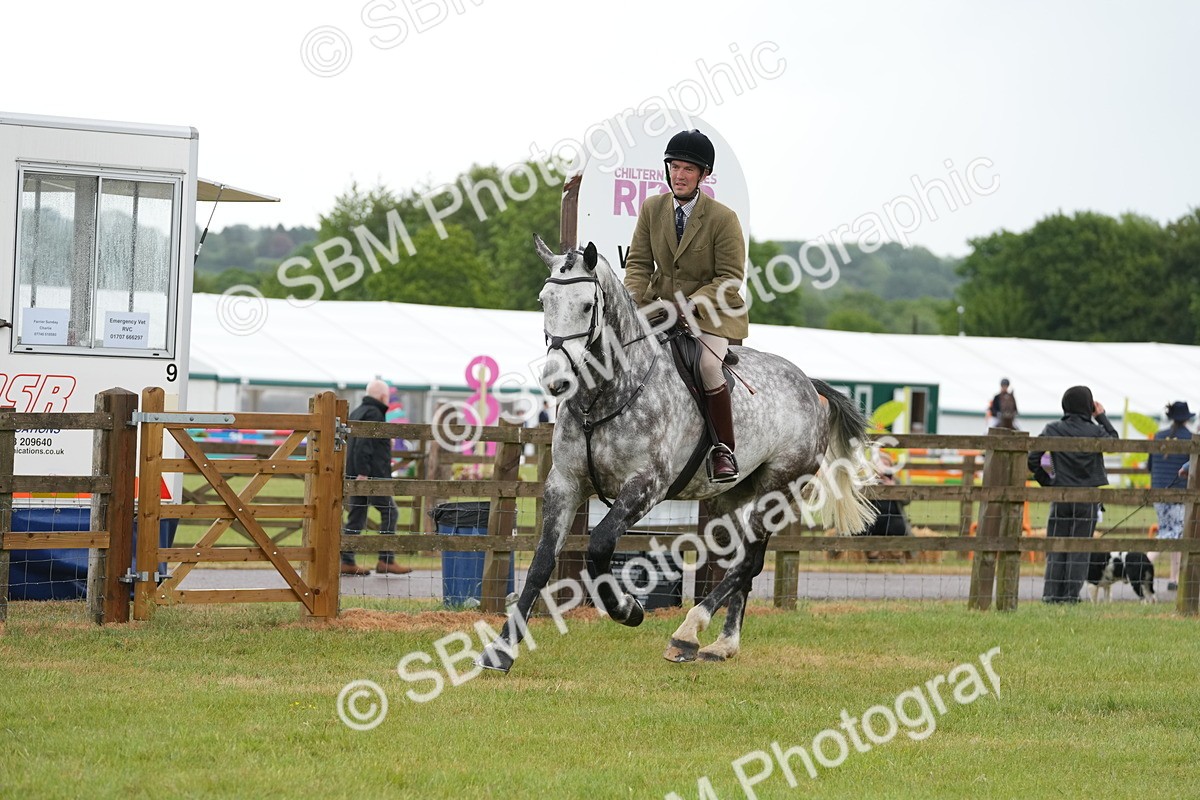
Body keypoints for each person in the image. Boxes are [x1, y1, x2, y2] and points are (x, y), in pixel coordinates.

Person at [623, 128, 748, 482]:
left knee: (708, 366)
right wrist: (632, 304)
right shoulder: (652, 208)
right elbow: (638, 265)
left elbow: (730, 279)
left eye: (688, 169)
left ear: (703, 175)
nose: (679, 175)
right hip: (660, 308)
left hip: (711, 314)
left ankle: (723, 450)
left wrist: (691, 305)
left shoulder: (723, 218)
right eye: (674, 167)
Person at [1027, 386, 1118, 603]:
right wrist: (1101, 416)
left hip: (1061, 495)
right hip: (1087, 497)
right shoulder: (1095, 431)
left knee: (1056, 545)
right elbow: (1114, 443)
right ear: (1089, 406)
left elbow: (1033, 459)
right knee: (1080, 548)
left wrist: (1048, 482)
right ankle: (1070, 596)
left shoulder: (1053, 428)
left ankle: (1051, 594)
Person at [341, 379, 412, 576]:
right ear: (383, 396)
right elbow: (363, 445)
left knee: (356, 517)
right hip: (371, 476)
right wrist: (364, 472)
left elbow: (357, 444)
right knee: (390, 512)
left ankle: (346, 560)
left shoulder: (357, 412)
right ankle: (386, 560)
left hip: (356, 474)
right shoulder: (374, 413)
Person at [1148, 401, 1194, 591]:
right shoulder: (1190, 438)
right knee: (1171, 534)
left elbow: (1149, 466)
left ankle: (1174, 578)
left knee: (1174, 533)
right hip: (1179, 494)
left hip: (1159, 492)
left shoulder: (1158, 436)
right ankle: (1142, 563)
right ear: (1186, 419)